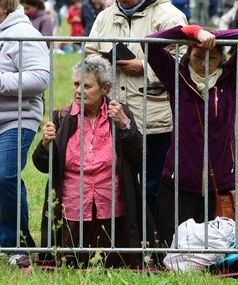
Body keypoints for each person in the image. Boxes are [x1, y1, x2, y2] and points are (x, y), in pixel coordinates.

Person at [84, 0, 188, 216]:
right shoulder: (105, 17)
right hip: (114, 115)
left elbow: (184, 62)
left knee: (153, 186)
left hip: (155, 118)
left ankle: (153, 243)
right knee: (119, 183)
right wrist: (102, 63)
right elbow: (90, 53)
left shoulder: (170, 16)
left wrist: (144, 67)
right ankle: (127, 242)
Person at [32, 56, 154, 268]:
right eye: (76, 84)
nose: (78, 91)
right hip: (72, 208)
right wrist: (45, 144)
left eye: (86, 86)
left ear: (105, 88)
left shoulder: (120, 114)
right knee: (71, 264)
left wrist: (126, 126)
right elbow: (42, 165)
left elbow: (141, 156)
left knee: (113, 263)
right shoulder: (61, 117)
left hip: (112, 207)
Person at [143, 24, 238, 246]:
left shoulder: (229, 78)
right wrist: (192, 32)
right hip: (180, 182)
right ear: (188, 56)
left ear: (221, 59)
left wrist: (212, 37)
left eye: (213, 57)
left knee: (219, 252)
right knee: (174, 249)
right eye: (198, 56)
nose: (205, 64)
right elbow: (149, 43)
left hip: (221, 184)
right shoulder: (177, 77)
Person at [0, 0, 50, 266]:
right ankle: (8, 245)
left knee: (3, 176)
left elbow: (41, 78)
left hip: (17, 119)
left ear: (3, 2)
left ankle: (20, 246)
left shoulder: (24, 34)